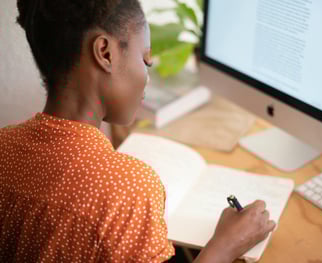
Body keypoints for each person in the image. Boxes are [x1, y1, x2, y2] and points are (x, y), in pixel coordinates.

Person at [0, 0, 276, 262]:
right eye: (145, 60)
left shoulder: (4, 147)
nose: (148, 73)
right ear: (105, 53)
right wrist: (225, 245)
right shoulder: (128, 190)